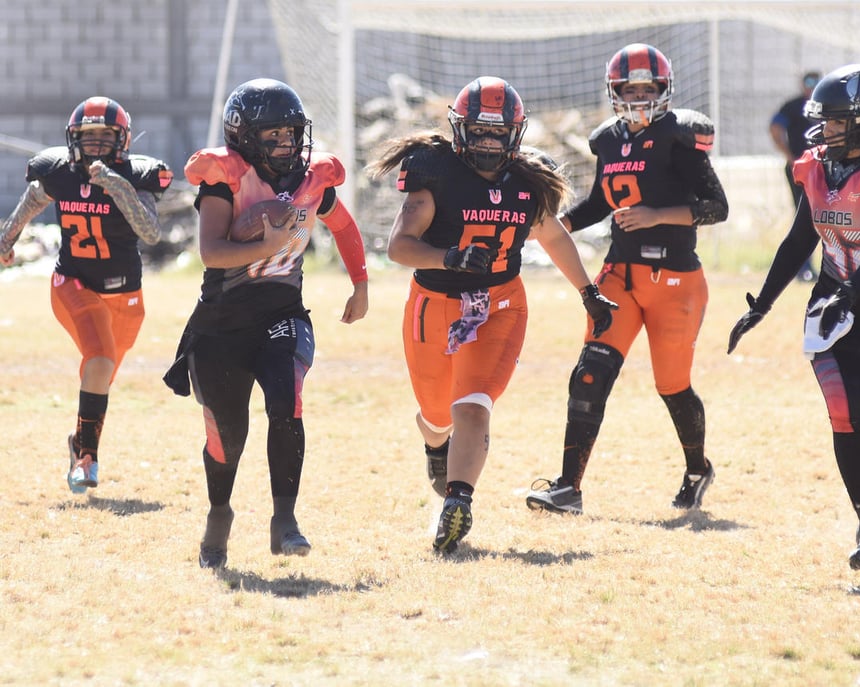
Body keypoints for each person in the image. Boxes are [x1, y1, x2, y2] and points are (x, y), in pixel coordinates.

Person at [366, 76, 617, 553]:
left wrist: (588, 291)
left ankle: (458, 503)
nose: (487, 141)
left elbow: (553, 236)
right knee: (437, 415)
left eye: (496, 133)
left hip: (499, 305)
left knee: (473, 406)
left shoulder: (529, 178)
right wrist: (449, 258)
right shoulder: (434, 170)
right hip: (433, 305)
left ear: (514, 134)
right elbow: (400, 246)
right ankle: (436, 447)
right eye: (479, 131)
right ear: (460, 131)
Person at [727, 64, 860, 570]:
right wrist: (763, 304)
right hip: (835, 313)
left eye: (836, 121)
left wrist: (852, 290)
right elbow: (800, 239)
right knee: (846, 414)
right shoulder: (817, 165)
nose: (824, 130)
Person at [163, 78, 369, 569]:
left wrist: (360, 282)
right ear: (244, 138)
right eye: (273, 136)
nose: (286, 145)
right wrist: (267, 244)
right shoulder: (223, 179)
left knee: (286, 397)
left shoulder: (311, 181)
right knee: (226, 435)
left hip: (282, 316)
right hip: (221, 324)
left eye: (292, 134)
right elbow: (211, 252)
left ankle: (285, 520)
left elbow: (343, 225)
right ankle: (219, 515)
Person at [524, 43, 729, 515]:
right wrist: (553, 228)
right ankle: (568, 488)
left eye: (647, 87)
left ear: (664, 89)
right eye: (629, 88)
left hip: (675, 279)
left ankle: (697, 468)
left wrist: (657, 214)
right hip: (618, 275)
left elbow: (716, 207)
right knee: (589, 374)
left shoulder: (680, 134)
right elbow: (600, 202)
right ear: (615, 91)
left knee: (672, 385)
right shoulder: (608, 139)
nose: (639, 95)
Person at [0, 96, 172, 493]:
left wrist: (116, 185)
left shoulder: (138, 174)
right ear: (73, 140)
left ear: (122, 140)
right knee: (98, 359)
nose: (95, 145)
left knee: (100, 377)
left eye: (104, 137)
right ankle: (87, 460)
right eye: (87, 137)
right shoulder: (60, 172)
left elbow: (150, 232)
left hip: (126, 298)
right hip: (73, 284)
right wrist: (7, 239)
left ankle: (79, 441)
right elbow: (33, 201)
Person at [770, 71, 821, 282]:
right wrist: (789, 156)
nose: (812, 87)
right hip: (801, 170)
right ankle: (804, 267)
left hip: (826, 169)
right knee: (804, 218)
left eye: (816, 82)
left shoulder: (828, 105)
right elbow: (775, 127)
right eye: (808, 82)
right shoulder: (793, 106)